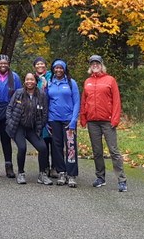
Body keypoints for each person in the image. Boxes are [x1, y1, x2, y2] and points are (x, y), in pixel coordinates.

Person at [79, 54, 127, 192]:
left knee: (113, 151)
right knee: (97, 151)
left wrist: (115, 118)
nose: (95, 65)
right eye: (92, 63)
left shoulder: (110, 80)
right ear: (90, 66)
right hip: (92, 121)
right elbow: (84, 101)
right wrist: (83, 117)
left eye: (97, 63)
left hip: (107, 121)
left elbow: (117, 100)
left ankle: (122, 180)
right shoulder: (87, 81)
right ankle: (100, 177)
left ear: (101, 65)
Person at [6, 72, 52, 185]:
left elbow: (45, 112)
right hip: (19, 126)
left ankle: (42, 174)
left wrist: (41, 125)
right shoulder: (19, 93)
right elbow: (9, 108)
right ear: (24, 81)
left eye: (32, 79)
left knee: (43, 148)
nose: (29, 82)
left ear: (36, 81)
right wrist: (10, 121)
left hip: (32, 128)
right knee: (22, 148)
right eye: (27, 79)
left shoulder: (41, 94)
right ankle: (21, 173)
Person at [46, 59, 80, 188]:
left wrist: (73, 121)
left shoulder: (71, 83)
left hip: (68, 120)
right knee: (56, 147)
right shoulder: (50, 83)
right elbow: (47, 101)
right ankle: (61, 172)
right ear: (53, 69)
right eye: (56, 68)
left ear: (65, 69)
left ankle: (71, 174)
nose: (58, 70)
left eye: (61, 68)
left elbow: (77, 102)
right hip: (53, 119)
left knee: (71, 147)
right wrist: (47, 120)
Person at [0, 54, 21, 178]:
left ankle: (9, 166)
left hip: (8, 109)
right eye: (1, 63)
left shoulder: (15, 77)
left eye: (5, 63)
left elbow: (19, 95)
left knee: (6, 140)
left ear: (9, 64)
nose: (3, 65)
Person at [33, 56, 55, 177]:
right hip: (39, 114)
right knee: (43, 142)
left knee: (54, 142)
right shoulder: (33, 78)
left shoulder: (52, 76)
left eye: (42, 64)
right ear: (34, 67)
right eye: (37, 64)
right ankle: (44, 167)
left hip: (52, 111)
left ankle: (55, 167)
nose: (40, 66)